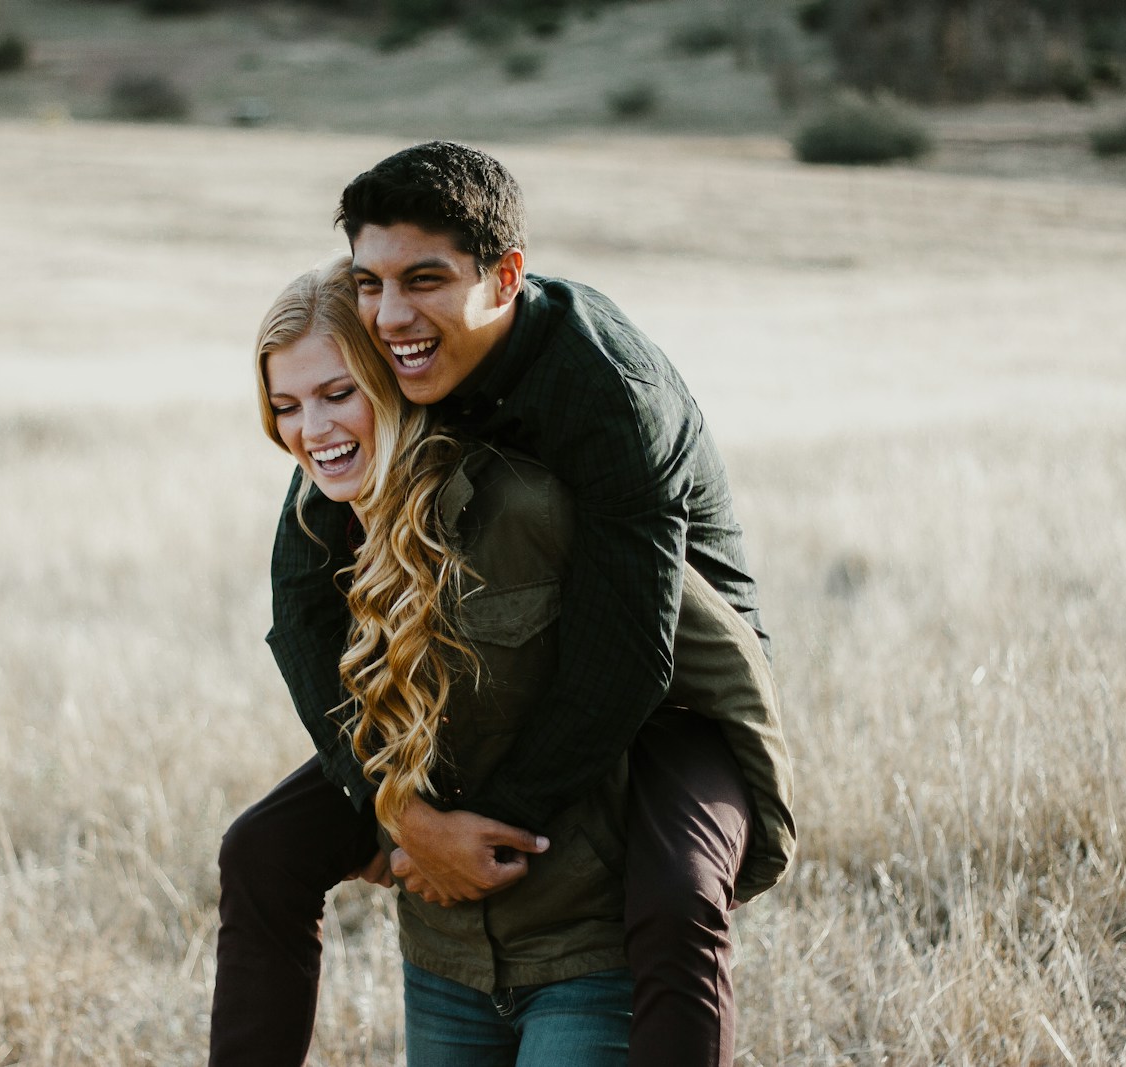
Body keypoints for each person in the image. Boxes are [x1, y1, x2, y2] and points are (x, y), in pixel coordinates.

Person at [211, 142, 795, 1066]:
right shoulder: (386, 378)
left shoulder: (604, 393)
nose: (393, 312)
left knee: (677, 896)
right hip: (504, 655)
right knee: (260, 852)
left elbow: (628, 650)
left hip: (676, 672)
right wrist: (398, 810)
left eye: (426, 278)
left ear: (505, 277)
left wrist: (481, 825)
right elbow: (303, 615)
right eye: (370, 281)